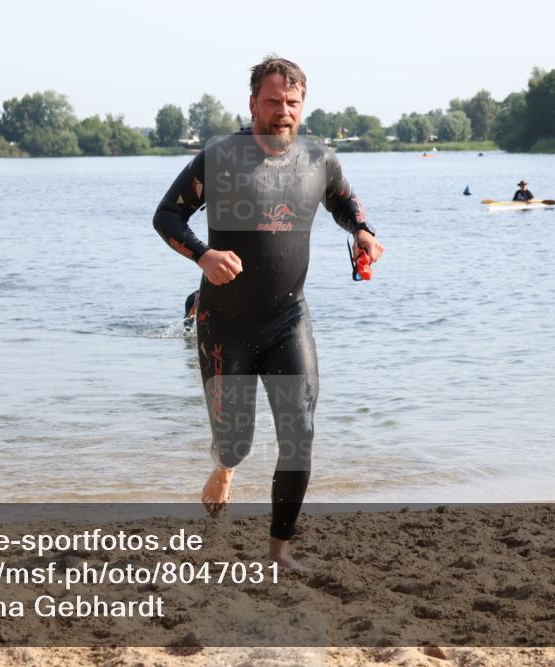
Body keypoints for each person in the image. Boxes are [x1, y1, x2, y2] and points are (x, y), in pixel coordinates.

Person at [153, 55, 384, 569]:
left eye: (293, 103)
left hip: (287, 319)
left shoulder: (318, 159)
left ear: (303, 105)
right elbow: (166, 215)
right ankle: (225, 467)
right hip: (225, 324)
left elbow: (345, 203)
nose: (284, 112)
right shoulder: (220, 158)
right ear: (253, 103)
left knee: (299, 433)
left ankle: (280, 551)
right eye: (274, 101)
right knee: (235, 442)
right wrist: (203, 255)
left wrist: (362, 232)